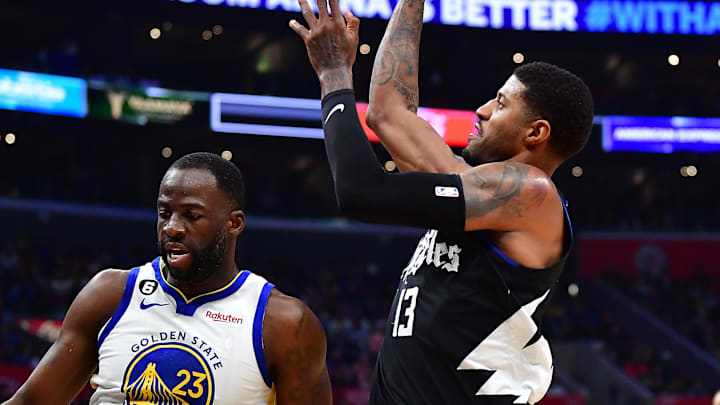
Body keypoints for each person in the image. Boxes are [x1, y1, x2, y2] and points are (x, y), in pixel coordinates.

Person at [289, 0, 593, 403]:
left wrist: (334, 77)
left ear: (535, 133)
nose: (482, 111)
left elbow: (361, 192)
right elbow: (388, 114)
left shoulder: (530, 194)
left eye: (501, 104)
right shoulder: (476, 187)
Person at [2, 152, 331, 405]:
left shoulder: (285, 324)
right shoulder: (110, 295)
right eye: (164, 212)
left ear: (234, 223)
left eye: (192, 215)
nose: (172, 227)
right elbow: (32, 401)